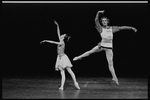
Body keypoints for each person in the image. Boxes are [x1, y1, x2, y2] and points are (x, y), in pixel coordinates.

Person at [73, 10, 137, 85]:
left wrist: (131, 28)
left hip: (109, 48)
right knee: (90, 52)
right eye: (102, 21)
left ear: (108, 22)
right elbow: (96, 20)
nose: (104, 22)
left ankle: (114, 77)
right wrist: (98, 13)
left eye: (105, 21)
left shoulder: (112, 28)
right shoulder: (100, 28)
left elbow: (121, 28)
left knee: (110, 63)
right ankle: (78, 57)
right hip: (101, 46)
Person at [41, 21, 80, 90]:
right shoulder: (60, 39)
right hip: (59, 58)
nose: (61, 35)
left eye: (62, 35)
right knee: (62, 72)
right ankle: (62, 86)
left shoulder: (62, 42)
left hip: (64, 58)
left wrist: (46, 40)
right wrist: (57, 25)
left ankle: (75, 83)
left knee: (69, 71)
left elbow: (53, 42)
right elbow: (58, 32)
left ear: (63, 37)